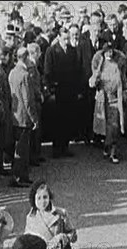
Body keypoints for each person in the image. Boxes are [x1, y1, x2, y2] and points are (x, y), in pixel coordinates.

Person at [89, 36, 127, 164]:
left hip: (115, 99)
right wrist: (97, 75)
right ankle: (107, 145)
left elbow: (122, 80)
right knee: (106, 127)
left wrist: (126, 91)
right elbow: (92, 82)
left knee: (114, 126)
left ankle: (113, 152)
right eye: (107, 52)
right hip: (102, 100)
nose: (109, 54)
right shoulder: (100, 66)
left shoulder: (117, 66)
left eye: (111, 51)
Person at [43, 25, 80, 158]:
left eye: (68, 38)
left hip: (70, 90)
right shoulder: (51, 51)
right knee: (57, 120)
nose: (66, 41)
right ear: (58, 37)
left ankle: (65, 146)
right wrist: (51, 88)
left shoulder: (72, 50)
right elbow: (47, 71)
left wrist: (77, 89)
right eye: (64, 38)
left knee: (68, 119)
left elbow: (76, 70)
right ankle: (56, 148)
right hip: (58, 91)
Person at [9, 47, 39, 188]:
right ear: (26, 57)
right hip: (23, 117)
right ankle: (19, 177)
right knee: (22, 149)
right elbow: (28, 100)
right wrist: (34, 118)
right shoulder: (24, 75)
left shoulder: (12, 73)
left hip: (15, 115)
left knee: (18, 148)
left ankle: (21, 176)